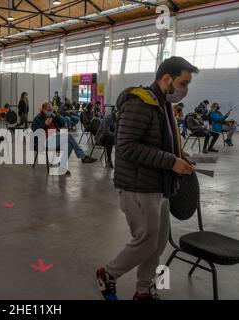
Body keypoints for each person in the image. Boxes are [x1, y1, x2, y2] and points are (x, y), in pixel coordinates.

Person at [96, 56, 198, 301]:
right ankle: (107, 274)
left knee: (159, 243)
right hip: (138, 186)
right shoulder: (140, 103)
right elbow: (127, 146)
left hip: (160, 186)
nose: (185, 90)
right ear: (167, 79)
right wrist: (171, 161)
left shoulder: (162, 104)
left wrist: (180, 154)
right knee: (146, 241)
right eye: (183, 83)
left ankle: (143, 290)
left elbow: (159, 141)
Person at [32, 102, 97, 176]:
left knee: (69, 145)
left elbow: (63, 123)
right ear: (43, 109)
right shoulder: (38, 118)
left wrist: (57, 116)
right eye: (49, 109)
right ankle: (83, 157)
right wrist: (44, 124)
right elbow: (35, 131)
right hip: (44, 141)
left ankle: (62, 169)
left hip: (54, 139)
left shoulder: (52, 116)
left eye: (51, 109)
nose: (50, 111)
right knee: (68, 136)